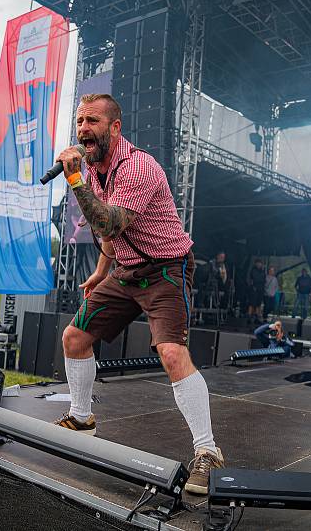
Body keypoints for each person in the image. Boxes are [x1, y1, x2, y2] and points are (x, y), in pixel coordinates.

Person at [53, 93, 222, 494]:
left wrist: (74, 179)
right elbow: (110, 235)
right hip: (127, 270)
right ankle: (81, 418)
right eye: (79, 122)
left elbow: (110, 222)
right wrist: (99, 272)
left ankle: (208, 451)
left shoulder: (139, 167)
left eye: (91, 121)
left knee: (170, 352)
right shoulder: (96, 171)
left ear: (114, 128)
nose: (82, 130)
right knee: (74, 338)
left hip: (166, 269)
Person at [247, 260, 266, 324]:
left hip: (260, 289)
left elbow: (264, 279)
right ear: (256, 264)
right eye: (258, 264)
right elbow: (256, 278)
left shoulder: (263, 271)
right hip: (254, 289)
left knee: (258, 304)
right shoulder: (253, 270)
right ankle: (249, 316)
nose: (259, 265)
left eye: (260, 264)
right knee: (252, 303)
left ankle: (256, 317)